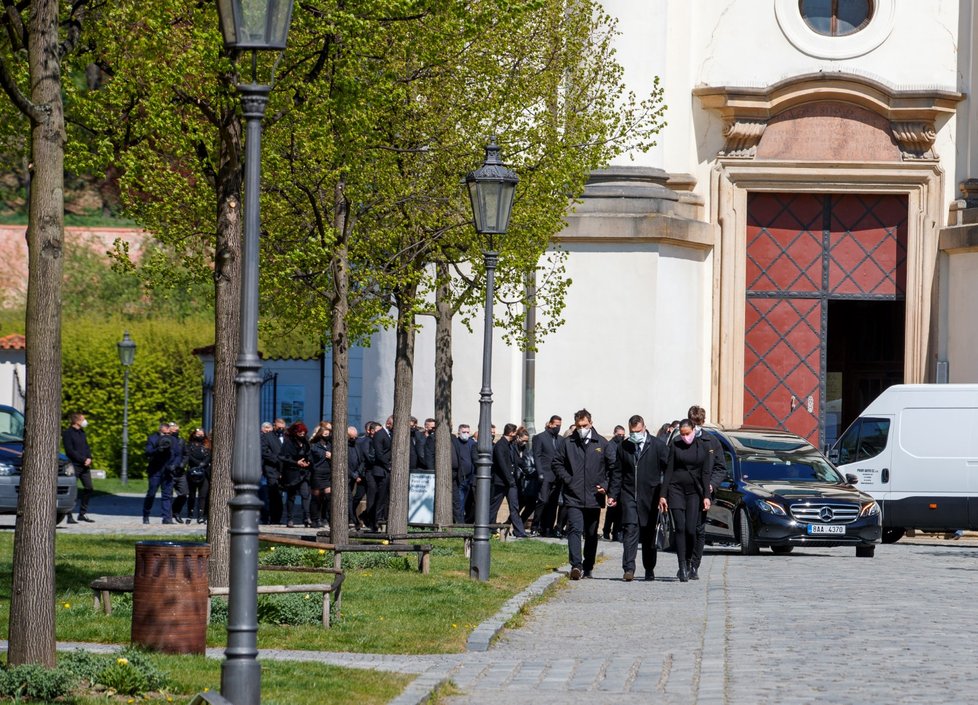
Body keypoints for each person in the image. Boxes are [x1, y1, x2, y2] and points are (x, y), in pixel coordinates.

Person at [552, 409, 612, 579]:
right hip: (573, 495)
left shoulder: (602, 443)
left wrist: (605, 486)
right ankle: (576, 566)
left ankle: (588, 565)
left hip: (594, 496)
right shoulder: (568, 442)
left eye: (584, 425)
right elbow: (557, 463)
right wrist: (568, 480)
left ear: (591, 423)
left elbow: (611, 468)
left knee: (591, 533)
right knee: (574, 529)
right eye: (578, 426)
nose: (581, 428)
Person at [609, 415, 669, 581]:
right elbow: (617, 473)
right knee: (630, 530)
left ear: (644, 428)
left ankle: (649, 568)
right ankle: (629, 568)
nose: (635, 434)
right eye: (632, 431)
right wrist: (613, 494)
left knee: (649, 534)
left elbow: (668, 471)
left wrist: (664, 494)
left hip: (651, 495)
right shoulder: (624, 446)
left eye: (638, 431)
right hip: (629, 495)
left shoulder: (657, 446)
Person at [662, 418, 712, 582]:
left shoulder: (702, 446)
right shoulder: (675, 444)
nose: (685, 437)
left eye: (687, 433)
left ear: (693, 431)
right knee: (680, 528)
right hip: (676, 490)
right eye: (682, 434)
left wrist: (706, 496)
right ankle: (682, 565)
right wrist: (663, 495)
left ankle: (691, 561)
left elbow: (705, 473)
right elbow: (668, 471)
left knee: (691, 529)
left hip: (694, 492)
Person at [688, 405, 727, 580]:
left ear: (702, 422)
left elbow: (720, 467)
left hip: (703, 492)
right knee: (684, 528)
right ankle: (684, 560)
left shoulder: (711, 441)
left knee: (698, 528)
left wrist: (711, 485)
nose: (695, 426)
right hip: (684, 490)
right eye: (692, 422)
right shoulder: (681, 438)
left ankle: (694, 564)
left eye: (697, 423)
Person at [490, 423, 527, 537]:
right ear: (511, 433)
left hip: (510, 482)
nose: (516, 435)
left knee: (514, 507)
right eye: (515, 432)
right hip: (501, 482)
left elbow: (515, 461)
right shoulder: (500, 445)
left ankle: (519, 531)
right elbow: (502, 465)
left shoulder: (511, 445)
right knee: (494, 506)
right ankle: (489, 528)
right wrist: (510, 479)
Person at [531, 415, 564, 537]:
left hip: (557, 476)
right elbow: (537, 456)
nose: (558, 427)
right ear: (550, 424)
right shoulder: (540, 437)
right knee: (543, 500)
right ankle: (535, 525)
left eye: (560, 425)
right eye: (556, 425)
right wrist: (540, 472)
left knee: (553, 504)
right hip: (545, 473)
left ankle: (548, 528)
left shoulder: (561, 439)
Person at [143, 422, 181, 524]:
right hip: (155, 470)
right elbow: (147, 452)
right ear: (160, 431)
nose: (167, 435)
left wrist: (174, 465)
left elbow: (178, 455)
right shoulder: (152, 439)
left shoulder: (173, 440)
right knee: (151, 493)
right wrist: (157, 450)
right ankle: (146, 515)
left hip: (168, 470)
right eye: (164, 433)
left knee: (167, 495)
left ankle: (167, 518)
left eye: (168, 433)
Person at [62, 412, 94, 523]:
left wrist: (89, 458)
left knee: (89, 488)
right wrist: (82, 459)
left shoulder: (82, 432)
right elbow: (70, 451)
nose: (85, 421)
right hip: (74, 465)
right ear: (76, 421)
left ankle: (82, 514)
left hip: (85, 466)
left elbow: (86, 447)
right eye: (83, 419)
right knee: (73, 490)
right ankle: (69, 516)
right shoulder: (67, 433)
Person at [279, 421, 311, 527]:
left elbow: (309, 454)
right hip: (292, 473)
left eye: (303, 432)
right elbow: (282, 457)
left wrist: (308, 462)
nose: (302, 434)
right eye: (300, 432)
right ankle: (290, 518)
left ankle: (307, 517)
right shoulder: (288, 442)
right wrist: (296, 462)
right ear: (295, 432)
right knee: (291, 496)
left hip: (303, 472)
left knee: (305, 494)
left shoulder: (306, 441)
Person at [367, 416, 393, 530]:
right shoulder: (380, 434)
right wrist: (388, 466)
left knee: (385, 496)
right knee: (380, 496)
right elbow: (379, 453)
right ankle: (377, 521)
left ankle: (381, 518)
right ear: (388, 424)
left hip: (385, 469)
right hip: (381, 470)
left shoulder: (389, 434)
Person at [181, 428, 211, 524]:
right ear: (194, 435)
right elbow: (188, 456)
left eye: (201, 434)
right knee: (192, 495)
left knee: (203, 495)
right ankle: (190, 514)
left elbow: (209, 456)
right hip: (192, 472)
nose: (200, 436)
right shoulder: (189, 445)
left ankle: (201, 516)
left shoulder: (208, 445)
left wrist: (203, 463)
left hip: (204, 472)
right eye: (198, 434)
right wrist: (198, 464)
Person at [602, 425, 626, 541]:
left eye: (623, 435)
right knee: (612, 508)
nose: (621, 437)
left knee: (620, 508)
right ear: (614, 434)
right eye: (619, 435)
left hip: (621, 480)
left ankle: (616, 531)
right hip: (612, 479)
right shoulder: (610, 445)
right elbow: (612, 462)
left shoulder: (623, 445)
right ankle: (606, 530)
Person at [260, 419, 286, 524]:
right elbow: (263, 451)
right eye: (279, 427)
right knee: (274, 493)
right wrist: (276, 458)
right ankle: (272, 517)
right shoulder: (267, 436)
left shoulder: (286, 437)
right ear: (274, 426)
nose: (281, 429)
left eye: (282, 428)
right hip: (272, 469)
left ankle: (277, 518)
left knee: (280, 493)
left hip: (283, 469)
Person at [308, 421, 333, 529]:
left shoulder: (330, 445)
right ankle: (314, 519)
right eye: (325, 434)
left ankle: (325, 517)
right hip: (317, 473)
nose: (327, 436)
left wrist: (331, 456)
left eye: (329, 434)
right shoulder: (314, 446)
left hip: (328, 473)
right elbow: (313, 456)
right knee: (316, 497)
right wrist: (325, 454)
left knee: (328, 496)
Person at [451, 423, 476, 524]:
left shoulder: (471, 443)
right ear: (459, 432)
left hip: (470, 478)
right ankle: (459, 523)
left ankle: (467, 522)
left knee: (469, 503)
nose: (466, 434)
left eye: (468, 432)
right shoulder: (455, 442)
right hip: (461, 478)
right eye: (464, 432)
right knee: (459, 502)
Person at [514, 427, 537, 530]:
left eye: (526, 441)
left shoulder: (525, 449)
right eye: (523, 440)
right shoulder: (514, 447)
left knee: (528, 505)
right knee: (517, 506)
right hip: (518, 481)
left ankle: (517, 525)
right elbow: (525, 467)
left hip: (524, 482)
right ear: (518, 437)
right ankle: (515, 525)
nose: (524, 443)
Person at [348, 425, 370, 528]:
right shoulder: (344, 445)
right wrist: (353, 474)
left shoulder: (357, 444)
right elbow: (343, 463)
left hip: (357, 474)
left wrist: (358, 473)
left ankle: (351, 517)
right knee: (349, 499)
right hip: (348, 475)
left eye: (355, 437)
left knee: (355, 498)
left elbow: (362, 460)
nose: (354, 439)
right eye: (351, 437)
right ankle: (354, 520)